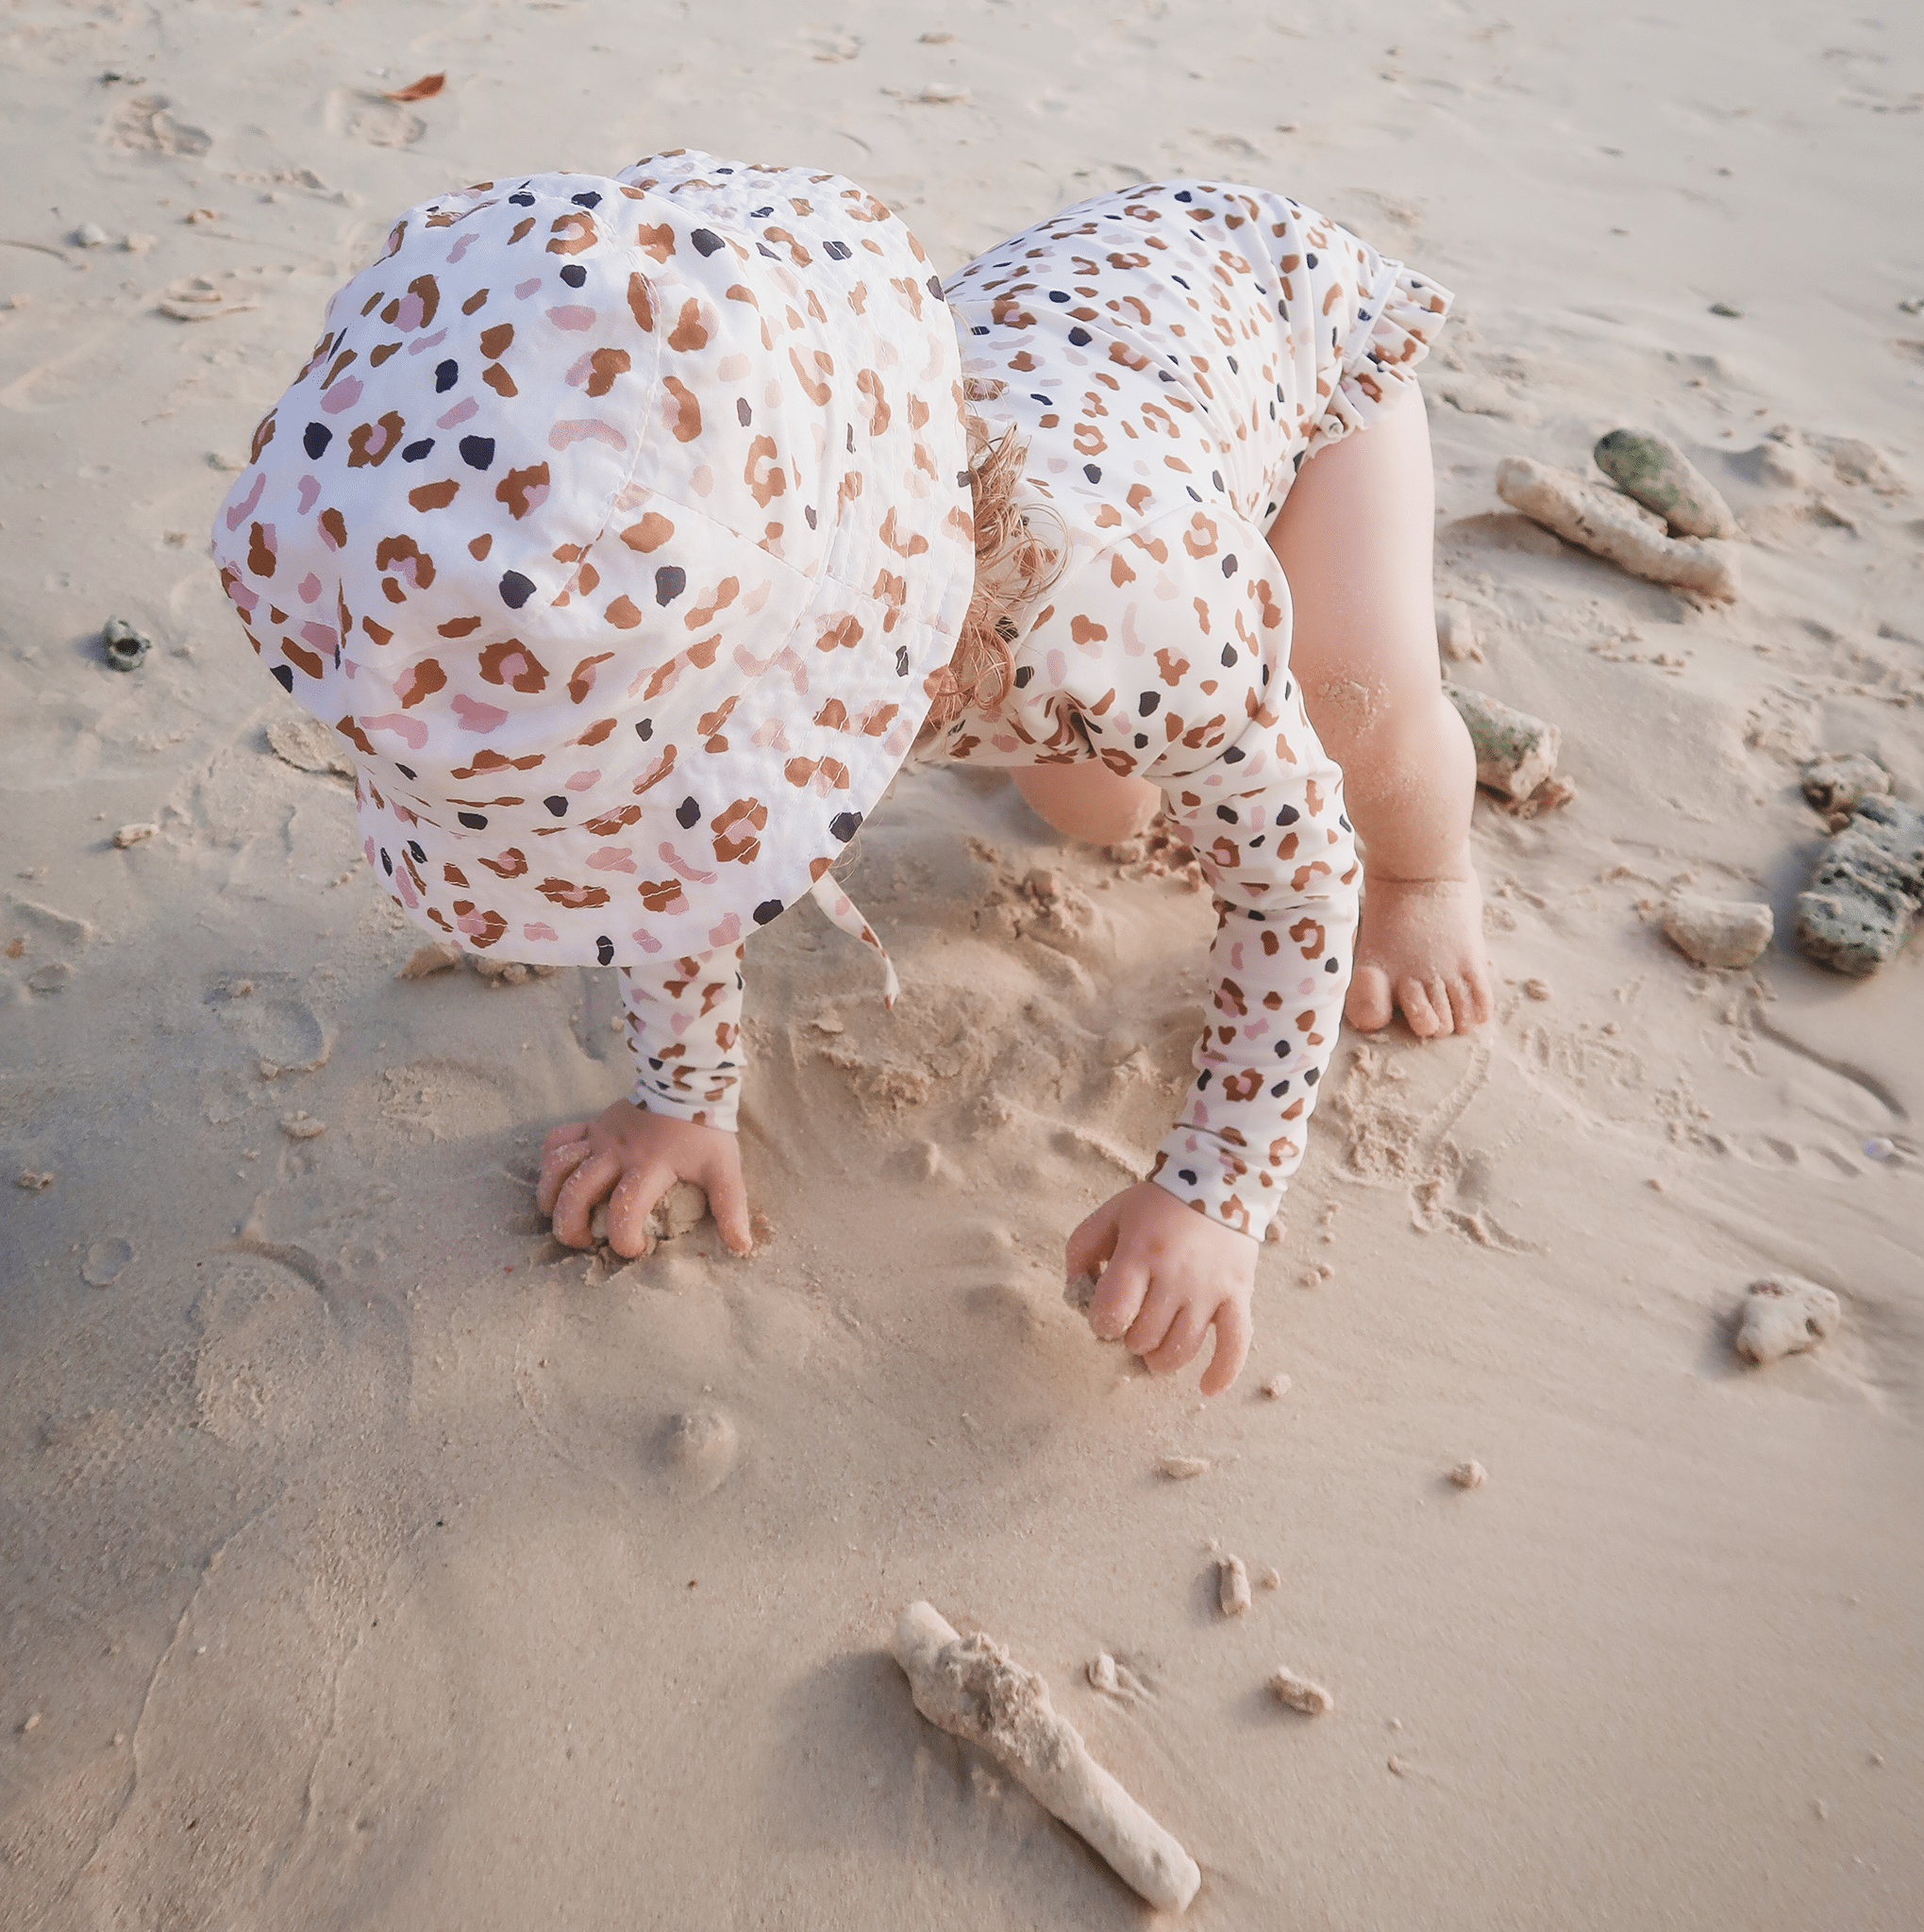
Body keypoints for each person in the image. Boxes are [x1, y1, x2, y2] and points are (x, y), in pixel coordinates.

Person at [210, 150, 1487, 1399]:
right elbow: (667, 852)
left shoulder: (1132, 613)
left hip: (1287, 337)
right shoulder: (715, 596)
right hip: (1094, 389)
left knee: (1356, 713)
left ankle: (1436, 872)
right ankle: (1138, 761)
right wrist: (681, 1095)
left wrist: (1219, 1185)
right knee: (1089, 805)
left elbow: (1297, 870)